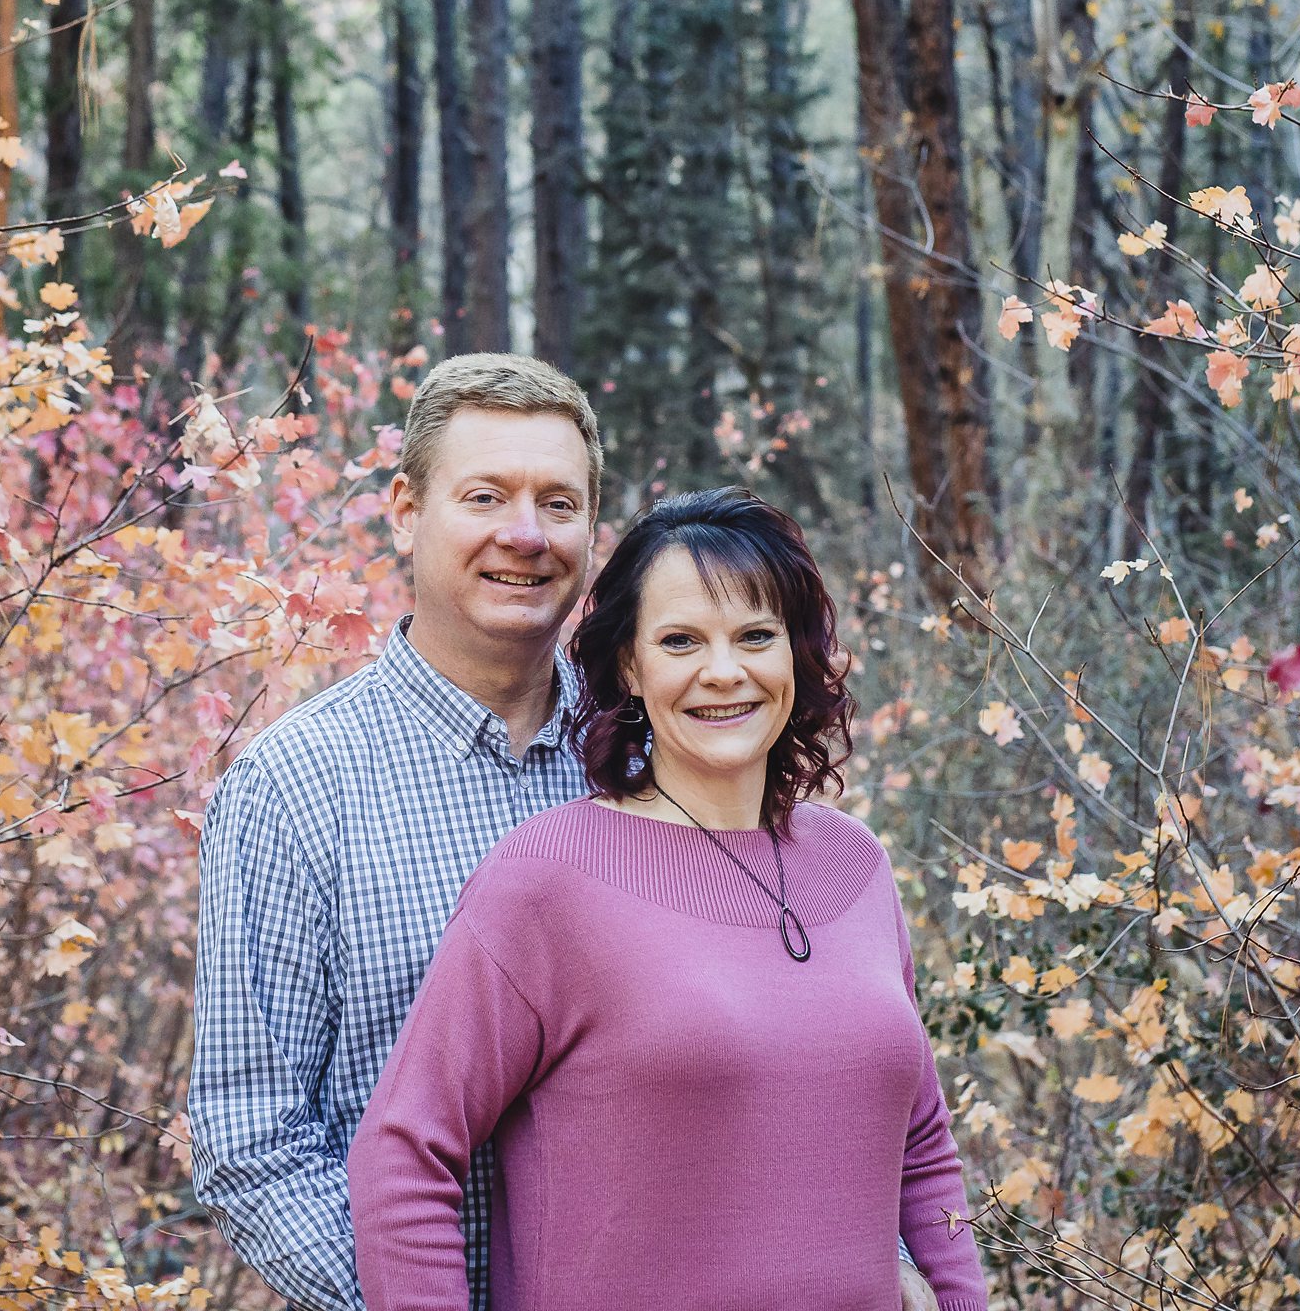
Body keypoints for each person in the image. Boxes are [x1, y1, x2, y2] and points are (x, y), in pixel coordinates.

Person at [347, 488, 989, 1311]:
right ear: (629, 665)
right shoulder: (548, 879)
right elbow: (404, 1150)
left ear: (796, 653)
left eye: (755, 636)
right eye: (681, 640)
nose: (723, 671)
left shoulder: (854, 863)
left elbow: (924, 1150)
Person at [189, 353, 602, 1311]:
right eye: (486, 495)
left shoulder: (650, 761)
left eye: (559, 503)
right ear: (406, 510)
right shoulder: (295, 787)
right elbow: (253, 1142)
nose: (525, 535)